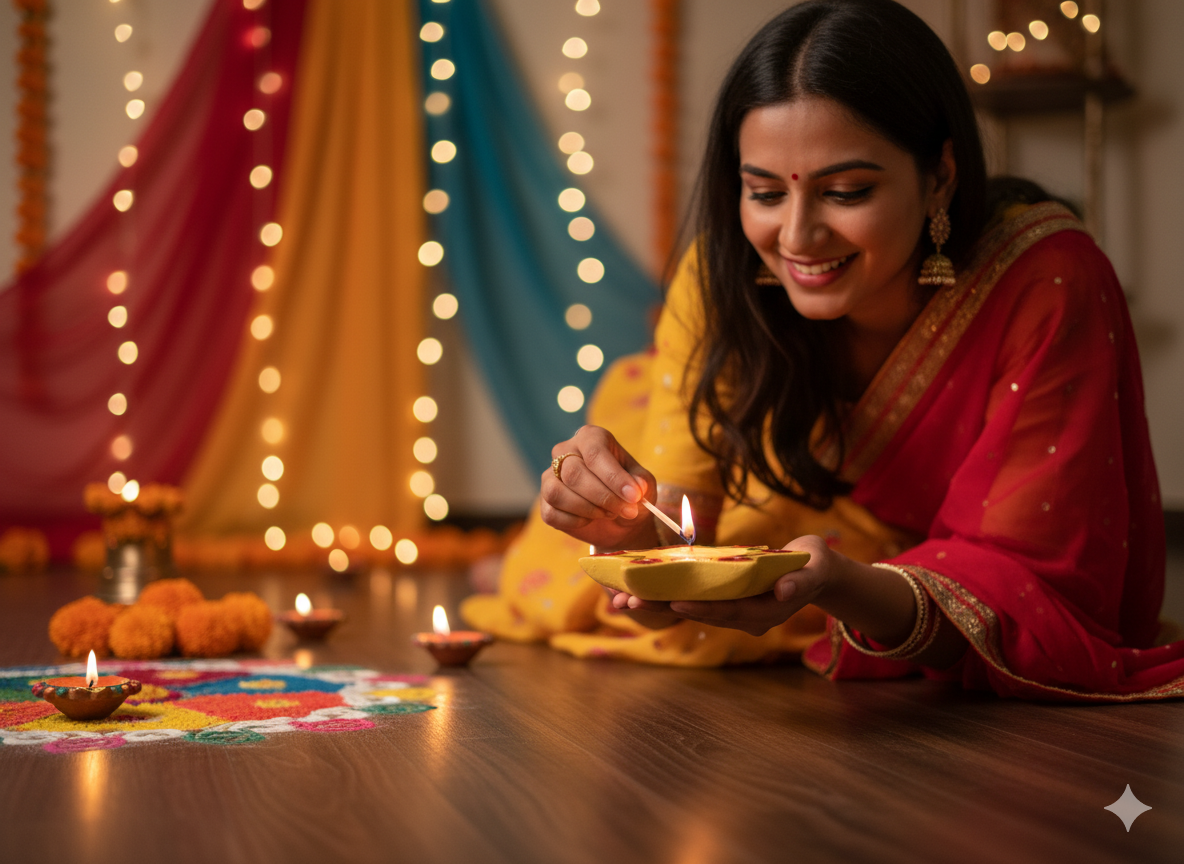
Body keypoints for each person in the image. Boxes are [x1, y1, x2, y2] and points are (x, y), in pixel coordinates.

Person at [463, 0, 1184, 700]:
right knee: (643, 543)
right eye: (765, 193)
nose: (799, 239)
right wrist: (629, 551)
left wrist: (845, 585)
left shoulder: (1048, 280)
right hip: (794, 498)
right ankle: (524, 565)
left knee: (786, 566)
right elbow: (689, 539)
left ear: (941, 174)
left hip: (894, 558)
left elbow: (1045, 580)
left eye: (845, 191)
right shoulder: (723, 277)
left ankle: (517, 570)